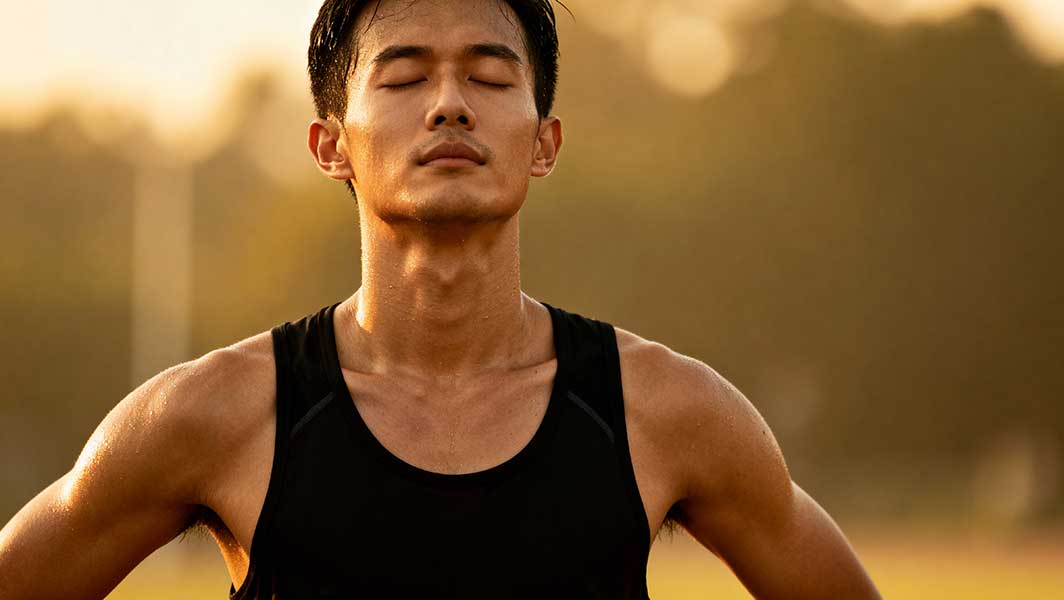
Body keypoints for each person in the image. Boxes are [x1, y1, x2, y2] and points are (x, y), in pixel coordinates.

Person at [0, 1, 882, 598]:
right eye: (405, 77)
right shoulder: (213, 415)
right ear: (329, 145)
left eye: (492, 79)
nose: (451, 105)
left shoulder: (668, 411)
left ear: (543, 143)